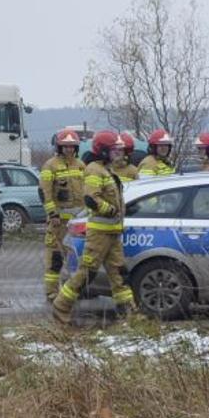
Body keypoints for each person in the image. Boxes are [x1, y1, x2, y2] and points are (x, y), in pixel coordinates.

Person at [52, 132, 135, 324]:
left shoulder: (106, 170)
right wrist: (111, 210)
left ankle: (129, 312)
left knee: (119, 273)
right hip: (99, 234)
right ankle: (61, 306)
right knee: (87, 272)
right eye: (114, 150)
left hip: (113, 233)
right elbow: (91, 198)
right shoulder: (94, 170)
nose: (118, 154)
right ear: (104, 151)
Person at [39, 129, 87, 300]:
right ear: (59, 147)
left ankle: (74, 290)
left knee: (77, 257)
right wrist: (53, 214)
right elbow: (45, 192)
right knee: (55, 257)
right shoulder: (50, 165)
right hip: (58, 222)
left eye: (72, 146)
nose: (69, 150)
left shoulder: (81, 165)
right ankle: (52, 292)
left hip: (79, 221)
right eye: (65, 147)